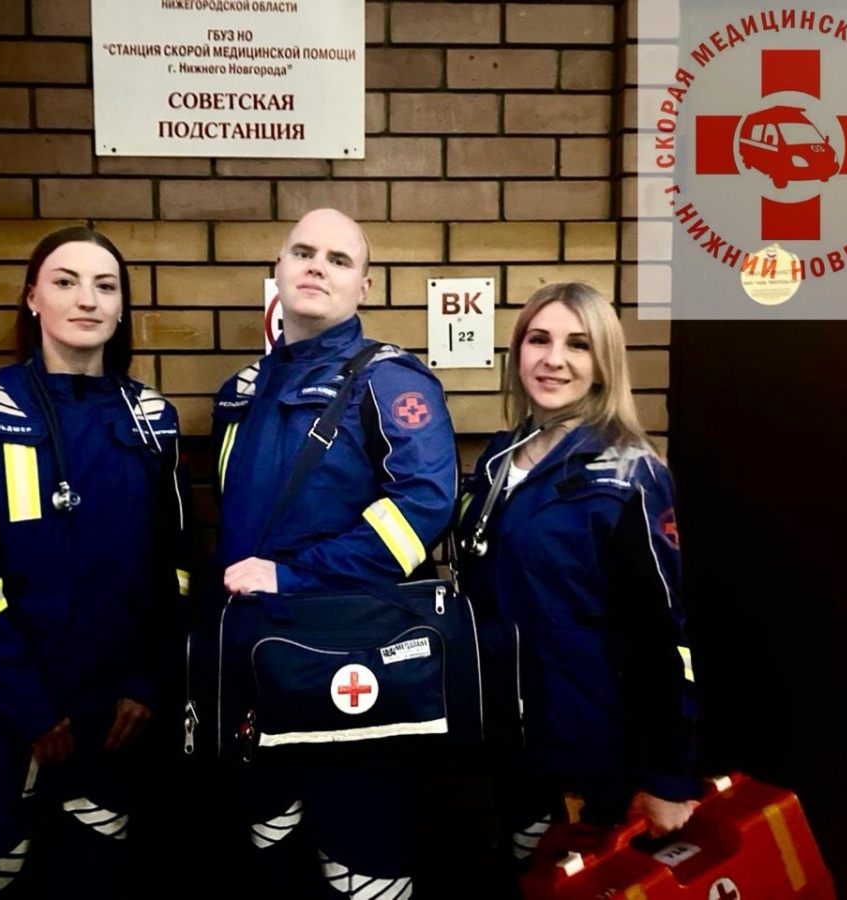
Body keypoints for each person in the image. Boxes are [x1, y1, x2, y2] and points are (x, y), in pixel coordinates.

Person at [211, 208, 458, 898]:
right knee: (275, 866)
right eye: (303, 252)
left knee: (364, 870)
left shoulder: (392, 381)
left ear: (364, 286)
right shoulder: (240, 394)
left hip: (353, 674)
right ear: (279, 270)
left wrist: (296, 576)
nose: (317, 267)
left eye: (339, 259)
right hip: (258, 673)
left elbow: (423, 507)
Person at [0, 226, 189, 898]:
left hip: (116, 717)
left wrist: (147, 684)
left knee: (97, 882)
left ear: (122, 307)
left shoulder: (152, 419)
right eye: (66, 282)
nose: (87, 300)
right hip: (4, 711)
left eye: (106, 286)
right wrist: (28, 706)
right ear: (32, 298)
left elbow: (175, 569)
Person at [455, 282, 698, 874]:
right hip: (507, 735)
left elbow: (660, 633)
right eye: (538, 340)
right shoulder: (499, 457)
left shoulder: (631, 471)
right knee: (528, 876)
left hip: (590, 745)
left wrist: (668, 773)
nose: (554, 359)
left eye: (578, 344)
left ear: (603, 362)